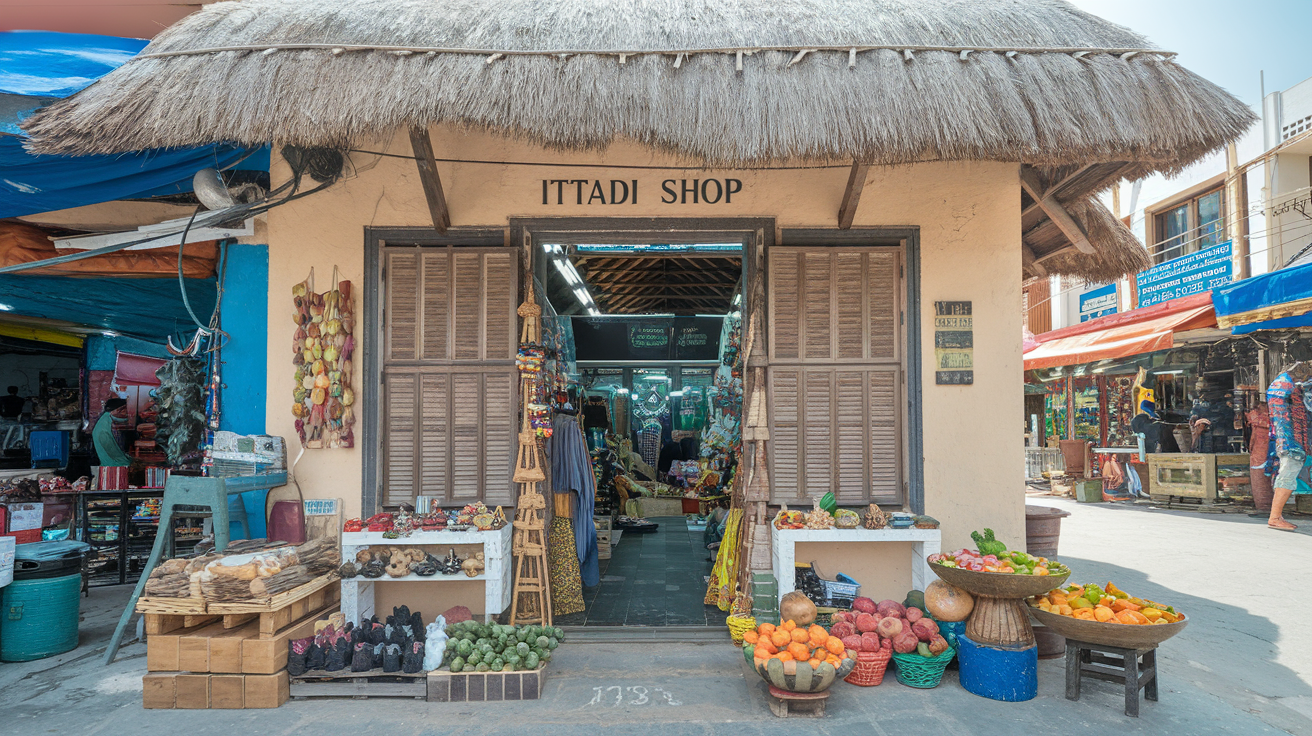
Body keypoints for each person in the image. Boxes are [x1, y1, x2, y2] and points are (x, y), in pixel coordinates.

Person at [1265, 363, 1311, 531]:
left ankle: (1276, 516)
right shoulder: (1294, 387)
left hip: (1283, 437)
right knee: (1287, 474)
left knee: (1286, 474)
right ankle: (1275, 517)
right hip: (1293, 438)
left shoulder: (1277, 384)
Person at [92, 397, 133, 468]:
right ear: (117, 411)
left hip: (114, 464)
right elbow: (117, 456)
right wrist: (132, 463)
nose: (127, 414)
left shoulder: (107, 419)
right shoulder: (105, 429)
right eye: (124, 411)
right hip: (115, 467)